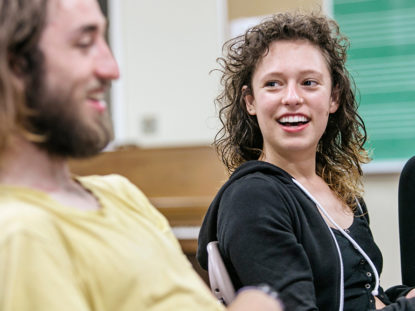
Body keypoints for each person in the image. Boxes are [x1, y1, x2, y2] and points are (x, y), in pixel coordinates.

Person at [0, 0, 284, 310]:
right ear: (17, 66)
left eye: (103, 41)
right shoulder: (19, 234)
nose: (112, 69)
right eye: (84, 43)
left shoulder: (120, 194)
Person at [197, 11, 415, 311]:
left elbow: (360, 296)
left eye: (309, 82)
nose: (291, 97)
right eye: (273, 84)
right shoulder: (253, 198)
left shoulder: (341, 192)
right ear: (250, 101)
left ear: (333, 98)